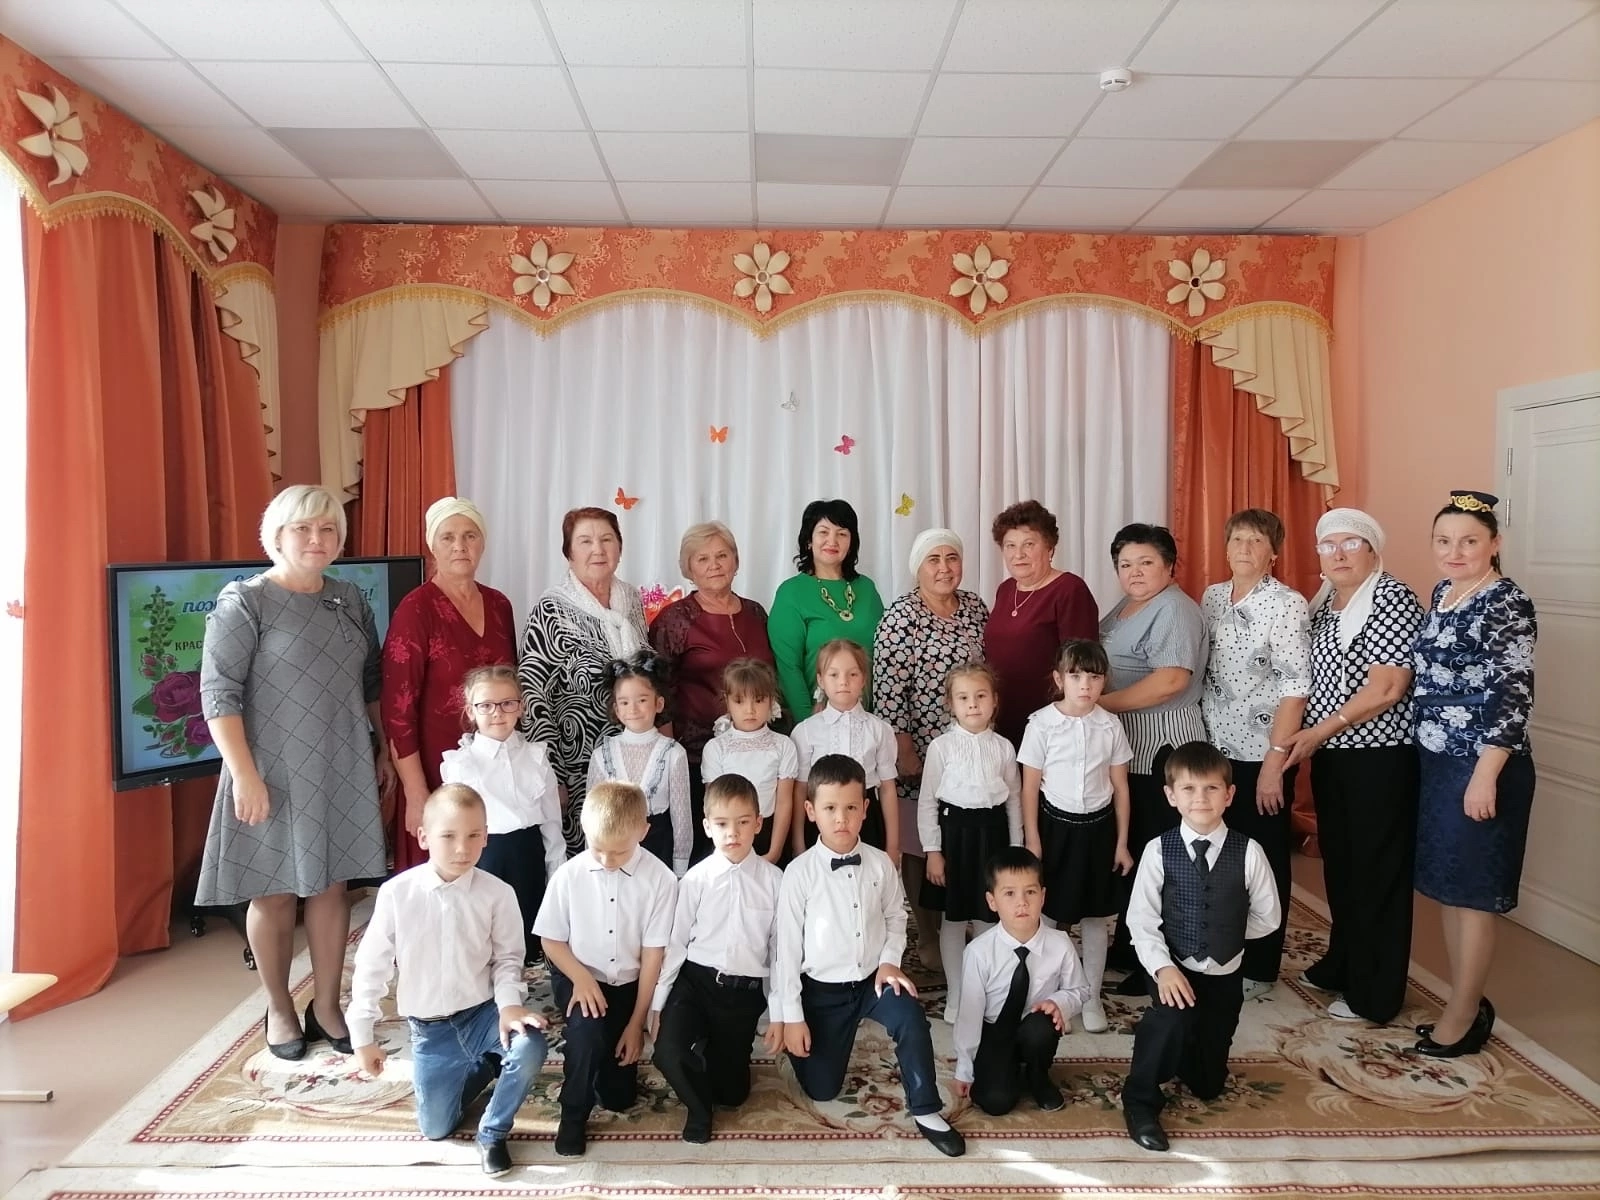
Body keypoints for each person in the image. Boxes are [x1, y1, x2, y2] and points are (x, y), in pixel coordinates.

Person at [197, 484, 391, 1061]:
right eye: (303, 528)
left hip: (342, 761)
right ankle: (279, 1008)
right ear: (277, 536)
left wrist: (382, 748)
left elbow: (371, 682)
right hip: (270, 769)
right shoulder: (245, 601)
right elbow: (218, 694)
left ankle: (326, 1005)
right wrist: (244, 775)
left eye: (328, 529)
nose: (316, 539)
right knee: (274, 892)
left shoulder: (349, 598)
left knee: (334, 887)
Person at [347, 784, 549, 1177]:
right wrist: (362, 1035)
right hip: (431, 1030)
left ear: (486, 836)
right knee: (436, 1128)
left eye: (474, 835)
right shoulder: (397, 894)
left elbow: (508, 958)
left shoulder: (498, 893)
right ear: (424, 837)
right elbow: (372, 964)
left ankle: (492, 1133)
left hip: (482, 1014)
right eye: (449, 836)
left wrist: (509, 1005)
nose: (462, 848)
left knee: (530, 1045)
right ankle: (487, 1066)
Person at [773, 754, 966, 1157]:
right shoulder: (799, 873)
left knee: (910, 1015)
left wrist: (890, 960)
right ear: (810, 811)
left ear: (865, 809)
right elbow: (786, 949)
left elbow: (897, 916)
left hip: (873, 981)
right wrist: (791, 1017)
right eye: (829, 808)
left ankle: (926, 1108)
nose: (840, 818)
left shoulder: (880, 863)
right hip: (823, 990)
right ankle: (804, 1052)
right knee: (822, 1089)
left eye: (850, 808)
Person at [1283, 509, 1423, 1025]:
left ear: (1372, 550)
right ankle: (1344, 960)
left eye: (1351, 543)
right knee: (1341, 863)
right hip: (1334, 756)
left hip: (1379, 758)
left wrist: (1319, 732)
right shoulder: (1325, 601)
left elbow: (1388, 687)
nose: (1338, 554)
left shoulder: (1392, 598)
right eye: (1328, 545)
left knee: (1376, 872)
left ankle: (1376, 993)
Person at [1410, 490, 1537, 1058]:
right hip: (1439, 762)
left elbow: (1513, 694)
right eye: (1444, 541)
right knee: (1449, 888)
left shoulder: (1508, 602)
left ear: (1494, 543)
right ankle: (1463, 1000)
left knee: (1475, 894)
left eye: (1468, 541)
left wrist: (1485, 776)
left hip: (1484, 763)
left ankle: (1463, 1018)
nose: (1454, 551)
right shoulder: (1444, 592)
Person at [1121, 742, 1281, 1154]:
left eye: (1211, 788)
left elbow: (1268, 917)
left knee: (1208, 1084)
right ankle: (1139, 1097)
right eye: (1188, 789)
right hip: (1172, 966)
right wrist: (1163, 968)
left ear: (1229, 795)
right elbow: (1141, 920)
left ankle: (1189, 1052)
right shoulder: (1158, 850)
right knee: (1171, 1017)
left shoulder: (1250, 852)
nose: (1200, 798)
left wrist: (1226, 936)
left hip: (1224, 972)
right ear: (1171, 795)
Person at [1199, 509, 1312, 999]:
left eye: (1256, 540)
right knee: (1219, 854)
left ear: (1274, 553)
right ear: (1226, 548)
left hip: (1261, 753)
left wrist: (1274, 761)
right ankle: (1221, 948)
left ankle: (1261, 965)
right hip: (1212, 750)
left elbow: (1295, 685)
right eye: (1237, 539)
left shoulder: (1287, 604)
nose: (1245, 547)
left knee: (1262, 861)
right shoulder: (1211, 597)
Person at [533, 780, 678, 1158]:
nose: (607, 860)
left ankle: (605, 1063)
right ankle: (573, 1113)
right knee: (587, 1032)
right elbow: (551, 940)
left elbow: (653, 955)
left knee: (617, 1097)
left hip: (629, 984)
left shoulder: (661, 880)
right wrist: (581, 979)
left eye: (619, 852)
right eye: (598, 849)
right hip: (580, 975)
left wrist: (637, 1023)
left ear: (643, 831)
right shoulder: (569, 875)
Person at [1097, 523, 1210, 996]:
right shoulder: (1128, 606)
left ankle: (1163, 964)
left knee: (1163, 858)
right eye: (1125, 564)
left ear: (1169, 566)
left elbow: (1171, 681)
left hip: (1163, 746)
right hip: (1131, 746)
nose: (1135, 572)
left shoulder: (1175, 609)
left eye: (1146, 562)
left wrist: (1096, 705)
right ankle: (1132, 945)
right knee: (1138, 854)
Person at [873, 528, 991, 970]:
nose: (944, 568)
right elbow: (888, 689)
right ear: (917, 568)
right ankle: (926, 931)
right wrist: (904, 748)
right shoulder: (901, 615)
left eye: (951, 558)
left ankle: (960, 920)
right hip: (920, 746)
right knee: (921, 842)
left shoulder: (975, 607)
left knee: (961, 834)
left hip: (971, 746)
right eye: (933, 560)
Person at [382, 496, 517, 872]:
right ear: (432, 545)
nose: (460, 546)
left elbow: (512, 687)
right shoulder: (415, 610)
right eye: (448, 537)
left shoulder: (499, 605)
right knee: (443, 874)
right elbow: (398, 712)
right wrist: (416, 791)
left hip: (495, 768)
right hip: (436, 769)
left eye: (470, 535)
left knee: (490, 873)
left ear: (483, 543)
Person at [649, 774, 785, 1142]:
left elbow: (779, 952)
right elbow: (676, 943)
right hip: (695, 983)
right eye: (722, 824)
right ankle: (698, 1109)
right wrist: (658, 1004)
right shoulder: (695, 880)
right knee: (667, 1051)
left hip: (742, 994)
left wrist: (779, 1012)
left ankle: (712, 1049)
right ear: (708, 826)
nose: (733, 833)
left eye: (743, 822)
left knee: (733, 1095)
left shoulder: (775, 881)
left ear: (758, 823)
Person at [1018, 639, 1134, 1034]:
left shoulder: (1110, 725)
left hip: (1098, 832)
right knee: (1051, 915)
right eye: (1076, 676)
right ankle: (1051, 994)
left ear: (1104, 681)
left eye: (1094, 677)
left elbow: (1120, 788)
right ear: (1059, 679)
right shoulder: (1041, 725)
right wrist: (1032, 839)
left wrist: (1121, 842)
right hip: (1056, 830)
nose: (1085, 685)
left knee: (1095, 918)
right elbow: (1029, 788)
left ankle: (1091, 995)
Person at [519, 506, 649, 854]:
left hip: (637, 759)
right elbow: (534, 696)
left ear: (620, 547)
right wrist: (552, 777)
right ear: (569, 552)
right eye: (585, 541)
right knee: (591, 860)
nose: (598, 549)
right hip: (578, 769)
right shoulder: (551, 608)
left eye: (607, 539)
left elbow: (647, 675)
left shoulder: (631, 600)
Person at [650, 522, 775, 862]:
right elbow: (661, 690)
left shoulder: (756, 612)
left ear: (736, 560)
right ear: (688, 568)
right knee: (708, 855)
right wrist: (669, 755)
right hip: (697, 758)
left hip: (758, 754)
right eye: (702, 559)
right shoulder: (675, 619)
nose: (714, 565)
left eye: (722, 555)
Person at [438, 665, 566, 963]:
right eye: (486, 705)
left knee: (523, 940)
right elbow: (451, 826)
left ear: (520, 707)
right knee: (484, 937)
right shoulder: (461, 765)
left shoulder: (536, 757)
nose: (497, 713)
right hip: (483, 858)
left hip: (528, 858)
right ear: (471, 711)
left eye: (507, 703)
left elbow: (551, 822)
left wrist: (556, 875)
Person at [918, 662, 1022, 1020]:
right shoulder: (941, 748)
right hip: (954, 838)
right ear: (951, 704)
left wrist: (1016, 849)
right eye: (963, 698)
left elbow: (1014, 799)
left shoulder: (1004, 748)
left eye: (980, 696)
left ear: (995, 701)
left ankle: (982, 991)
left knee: (987, 918)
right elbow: (928, 801)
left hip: (993, 836)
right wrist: (933, 851)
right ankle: (957, 994)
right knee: (953, 918)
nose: (973, 704)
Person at [951, 847, 1089, 1116]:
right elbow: (969, 1015)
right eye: (1009, 893)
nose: (1022, 903)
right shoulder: (979, 952)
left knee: (1042, 1025)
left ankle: (1037, 1074)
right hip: (994, 1030)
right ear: (992, 901)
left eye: (1030, 892)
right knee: (995, 1102)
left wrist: (1059, 1002)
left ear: (1043, 896)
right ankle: (1005, 1070)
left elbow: (1081, 990)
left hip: (1034, 1027)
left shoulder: (1060, 944)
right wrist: (964, 1069)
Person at [981, 501, 1098, 747]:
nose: (1018, 554)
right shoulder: (1006, 589)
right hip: (1001, 717)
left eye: (1029, 544)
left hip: (1050, 723)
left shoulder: (1070, 589)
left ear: (1050, 548)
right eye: (1010, 546)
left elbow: (1082, 666)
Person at [769, 499, 886, 723]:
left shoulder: (867, 589)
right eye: (823, 532)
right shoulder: (791, 593)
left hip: (869, 719)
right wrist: (809, 724)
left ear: (851, 542)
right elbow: (788, 667)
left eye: (842, 534)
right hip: (817, 718)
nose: (832, 541)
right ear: (808, 540)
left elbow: (885, 655)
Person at [789, 639, 899, 860]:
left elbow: (888, 789)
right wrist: (798, 841)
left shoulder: (879, 729)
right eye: (833, 674)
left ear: (864, 679)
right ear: (820, 680)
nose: (843, 682)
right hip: (821, 820)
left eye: (853, 674)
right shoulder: (806, 731)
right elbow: (800, 790)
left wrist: (893, 845)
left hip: (867, 820)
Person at [588, 652, 692, 877]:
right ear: (616, 709)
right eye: (624, 702)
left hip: (659, 852)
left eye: (642, 700)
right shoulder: (602, 754)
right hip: (613, 853)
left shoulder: (673, 753)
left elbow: (682, 818)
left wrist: (680, 871)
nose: (633, 709)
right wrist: (594, 863)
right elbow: (592, 815)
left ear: (659, 703)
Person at [700, 658, 798, 862]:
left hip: (769, 835)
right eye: (739, 701)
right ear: (727, 701)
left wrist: (775, 852)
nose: (750, 709)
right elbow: (715, 805)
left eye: (759, 700)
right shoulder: (716, 748)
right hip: (730, 836)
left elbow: (784, 802)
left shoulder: (783, 745)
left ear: (771, 700)